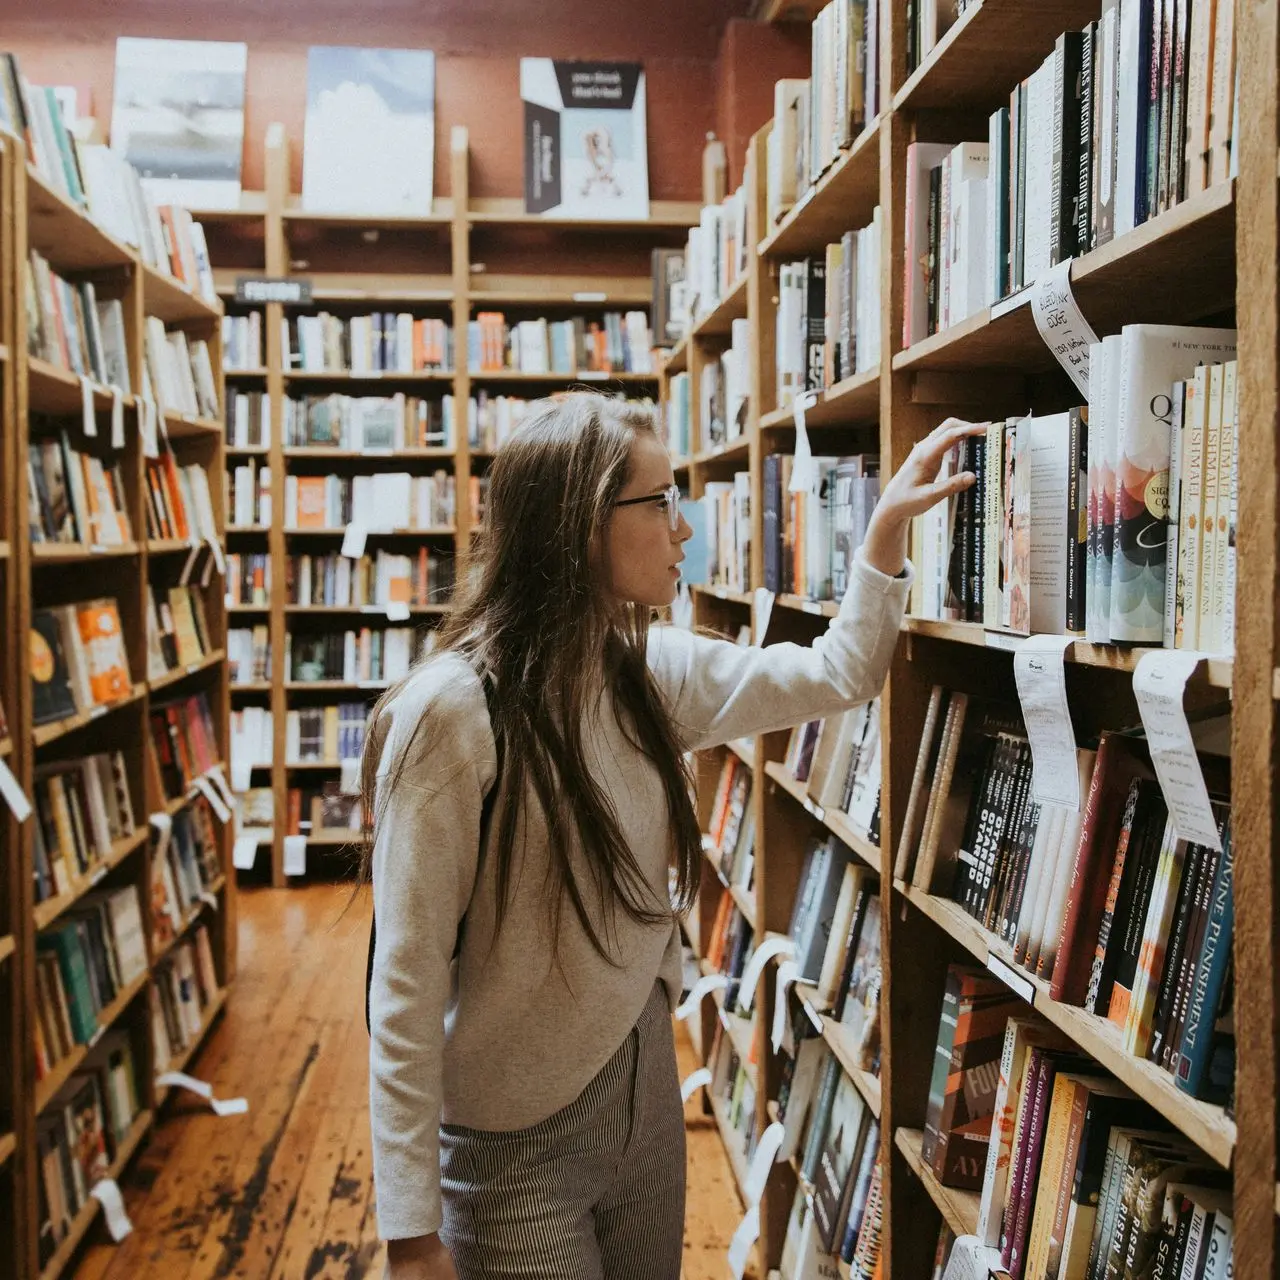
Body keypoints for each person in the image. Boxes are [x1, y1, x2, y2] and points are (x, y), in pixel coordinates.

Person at [363, 392, 982, 1280]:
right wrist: (411, 1232)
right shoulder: (453, 715)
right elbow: (407, 979)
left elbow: (839, 672)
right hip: (512, 1145)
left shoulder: (650, 671)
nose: (685, 526)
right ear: (582, 527)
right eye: (659, 502)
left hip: (644, 1093)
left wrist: (881, 541)